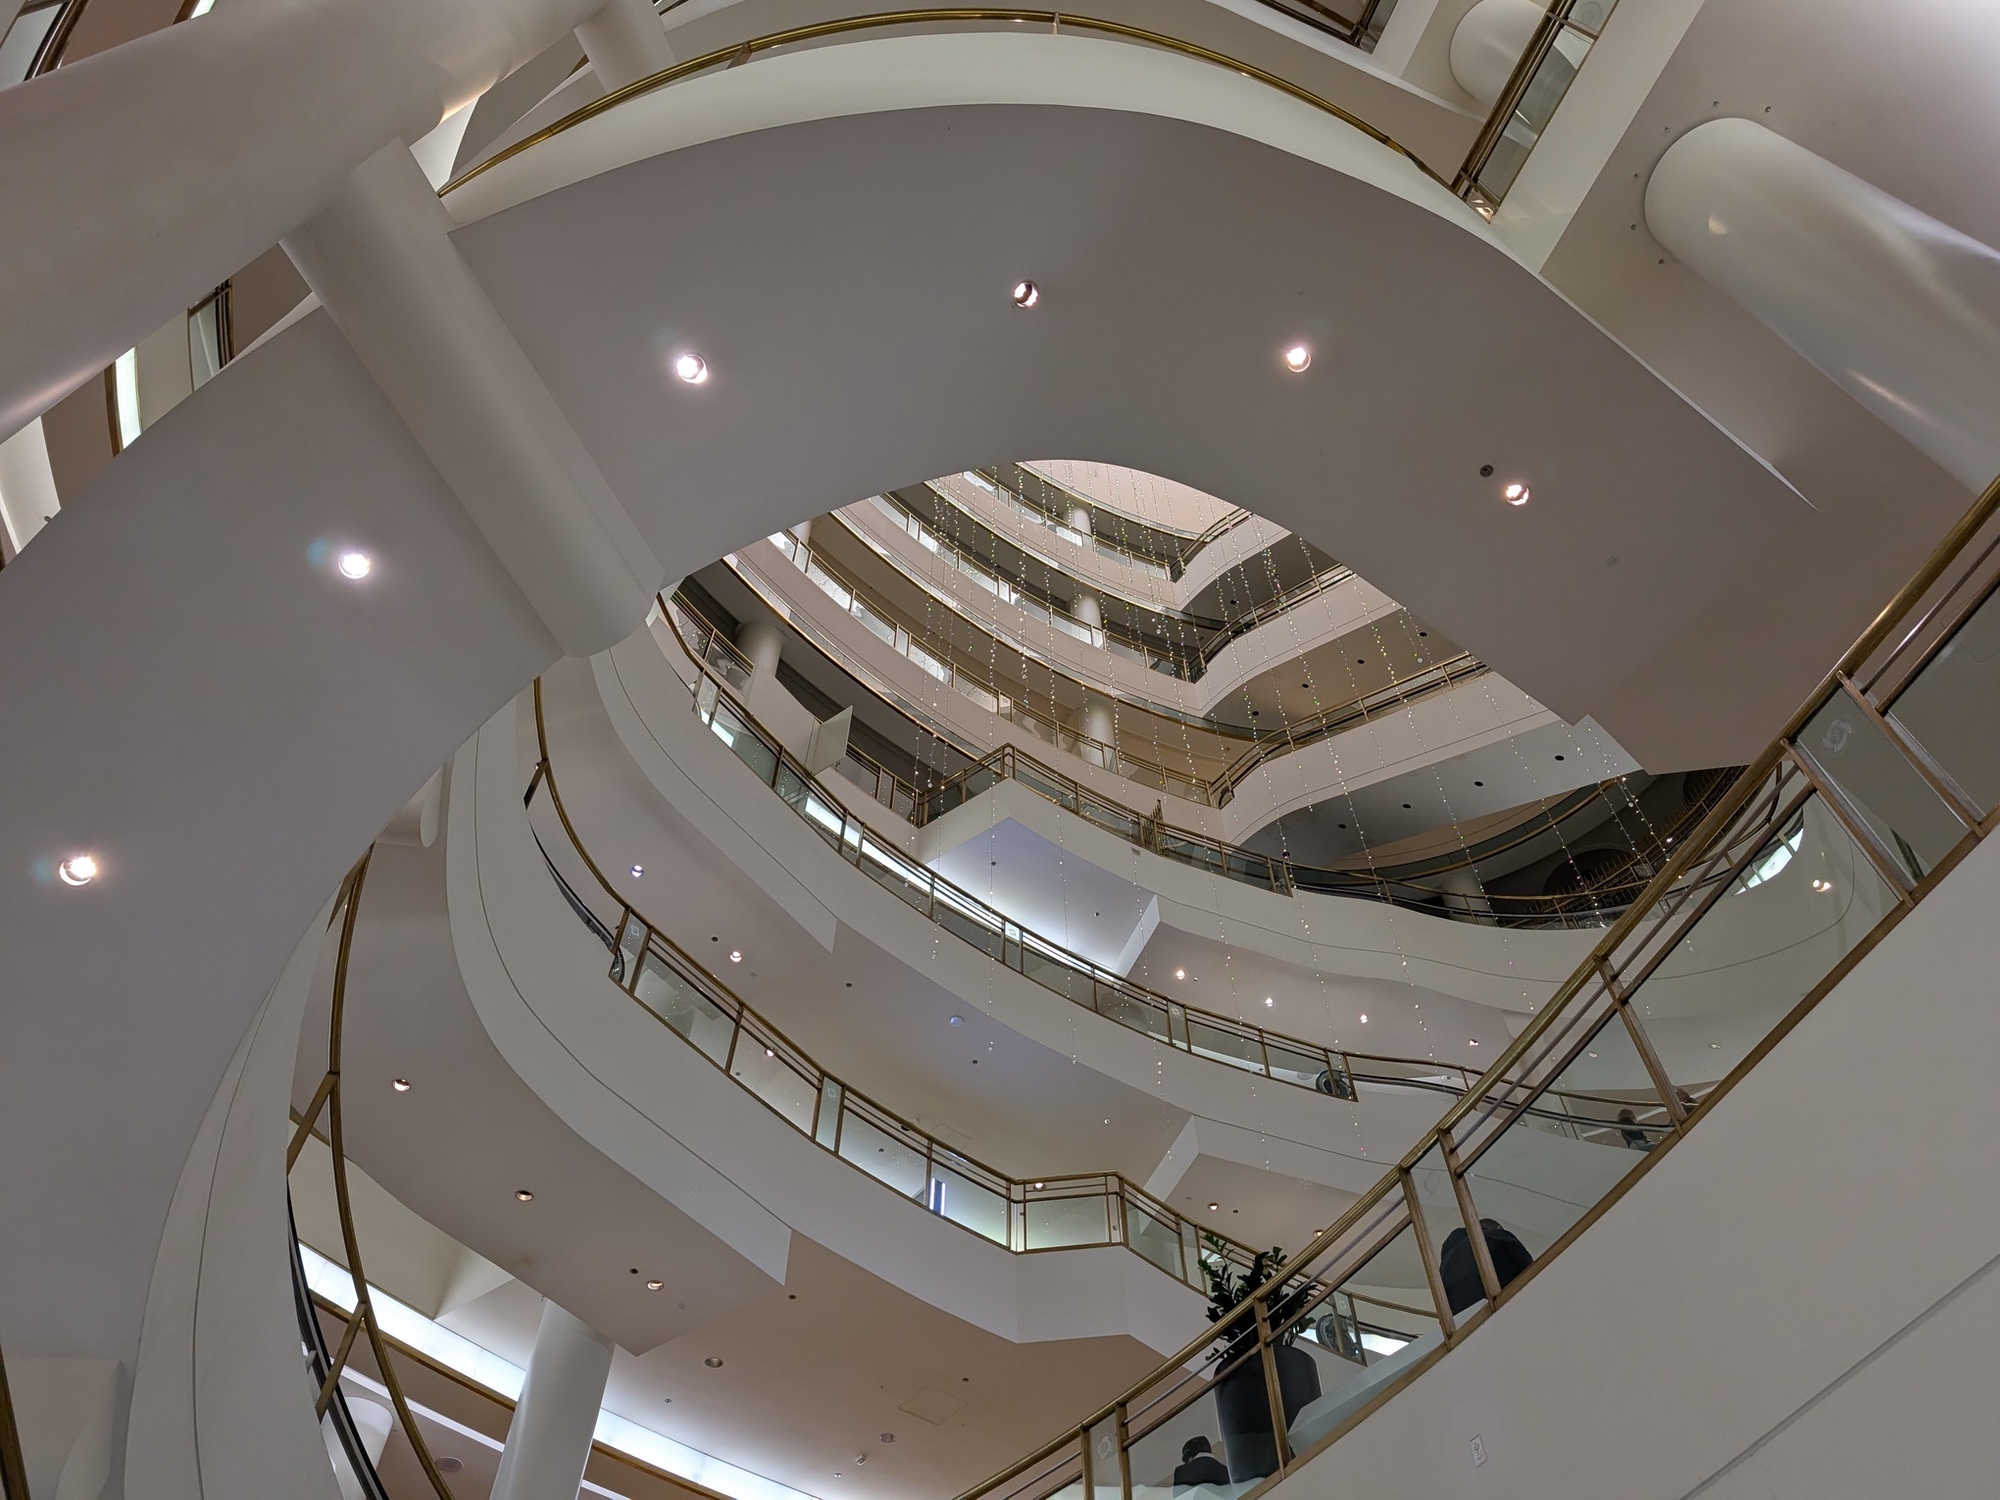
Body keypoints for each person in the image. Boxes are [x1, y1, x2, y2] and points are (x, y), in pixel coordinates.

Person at [1438, 1218, 1533, 1314]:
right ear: (1497, 1228)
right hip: (1495, 1305)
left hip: (1464, 1318)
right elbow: (1528, 1269)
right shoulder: (1498, 1235)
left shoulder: (1446, 1264)